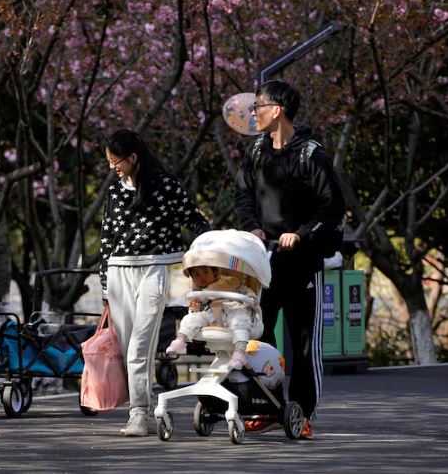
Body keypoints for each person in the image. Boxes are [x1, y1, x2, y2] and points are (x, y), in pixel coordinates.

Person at [234, 80, 345, 439]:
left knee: (302, 344)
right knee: (258, 338)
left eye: (258, 107)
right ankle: (266, 407)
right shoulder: (254, 152)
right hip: (262, 264)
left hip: (303, 264)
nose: (254, 114)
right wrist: (252, 228)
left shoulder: (312, 155)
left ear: (277, 110)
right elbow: (243, 197)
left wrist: (300, 233)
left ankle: (301, 411)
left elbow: (331, 208)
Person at [99, 129, 210, 437]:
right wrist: (105, 286)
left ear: (133, 157)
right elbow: (106, 239)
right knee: (126, 349)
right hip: (119, 272)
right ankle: (145, 411)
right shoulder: (114, 191)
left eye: (115, 161)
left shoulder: (166, 186)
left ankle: (136, 413)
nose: (113, 168)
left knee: (139, 347)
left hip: (155, 270)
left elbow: (195, 220)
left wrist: (209, 249)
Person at [164, 265, 260, 369]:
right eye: (196, 274)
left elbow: (249, 293)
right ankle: (180, 340)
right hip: (212, 318)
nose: (202, 277)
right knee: (190, 319)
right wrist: (197, 307)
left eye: (205, 272)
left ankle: (239, 353)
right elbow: (199, 308)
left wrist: (251, 299)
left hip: (233, 312)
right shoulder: (202, 292)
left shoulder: (233, 283)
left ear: (214, 272)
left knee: (240, 318)